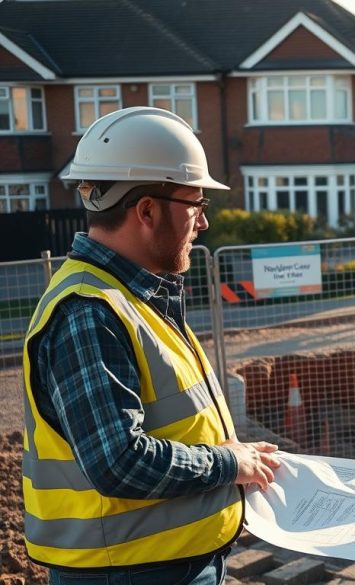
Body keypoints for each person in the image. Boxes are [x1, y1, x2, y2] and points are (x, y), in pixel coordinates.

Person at [21, 107, 281, 584]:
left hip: (166, 565)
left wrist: (231, 454)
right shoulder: (89, 312)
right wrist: (228, 463)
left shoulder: (136, 298)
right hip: (128, 574)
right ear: (147, 210)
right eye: (196, 205)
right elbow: (118, 461)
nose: (202, 223)